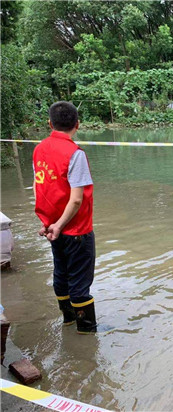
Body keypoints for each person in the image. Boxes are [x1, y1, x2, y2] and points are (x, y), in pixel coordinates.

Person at [33, 101, 98, 334]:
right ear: (77, 125)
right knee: (80, 283)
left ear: (50, 123)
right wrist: (61, 225)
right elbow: (77, 199)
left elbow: (39, 186)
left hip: (52, 228)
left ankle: (68, 321)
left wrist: (48, 223)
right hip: (76, 230)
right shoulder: (75, 153)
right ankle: (87, 334)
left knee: (61, 274)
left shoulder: (39, 149)